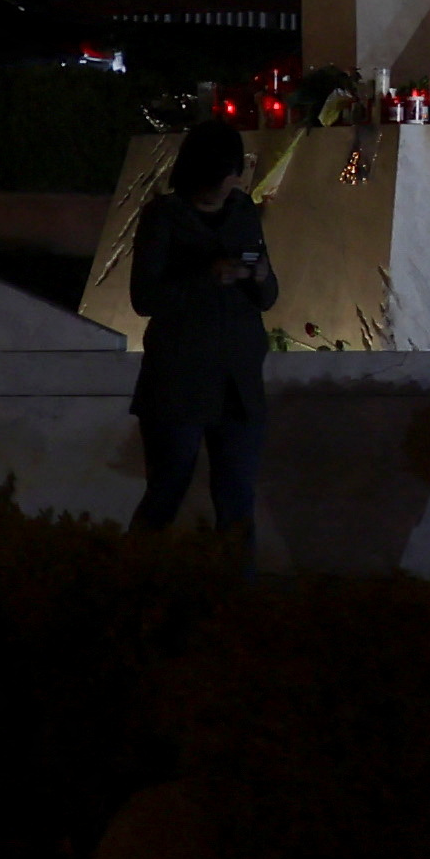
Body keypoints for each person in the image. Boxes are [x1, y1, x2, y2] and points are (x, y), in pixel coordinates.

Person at [128, 113, 279, 552]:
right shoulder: (163, 217)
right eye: (222, 175)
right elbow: (145, 299)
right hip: (179, 381)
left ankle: (233, 597)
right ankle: (134, 582)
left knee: (237, 502)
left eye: (231, 175)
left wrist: (260, 277)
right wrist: (206, 276)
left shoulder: (243, 212)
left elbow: (267, 297)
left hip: (238, 381)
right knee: (165, 493)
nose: (226, 184)